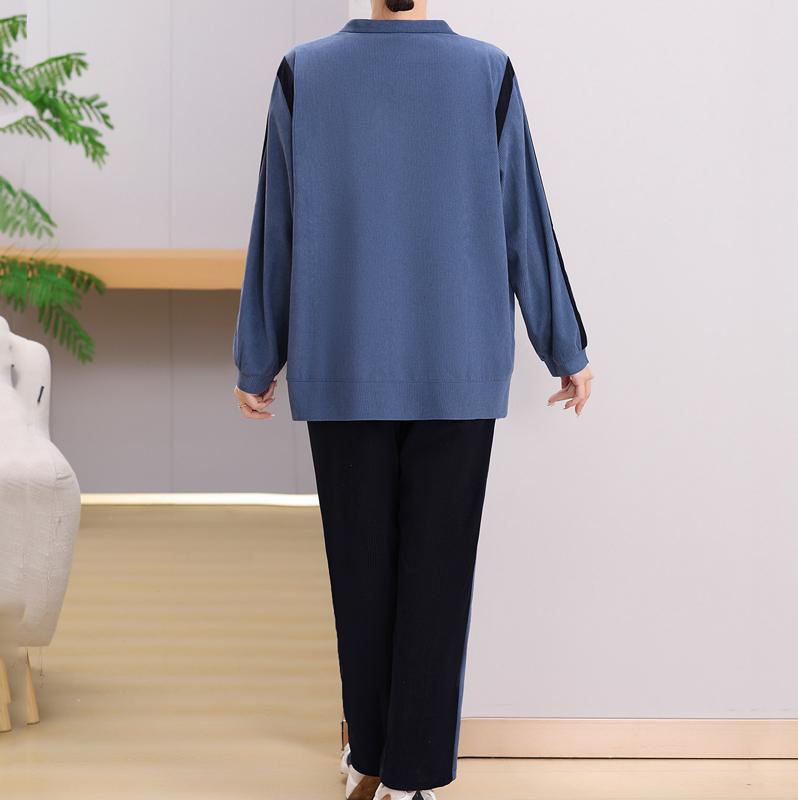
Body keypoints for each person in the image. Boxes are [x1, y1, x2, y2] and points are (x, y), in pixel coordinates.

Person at [232, 1, 594, 798]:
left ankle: (369, 755)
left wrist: (258, 357)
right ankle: (413, 777)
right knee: (437, 579)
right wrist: (564, 346)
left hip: (342, 359)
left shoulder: (303, 74)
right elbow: (523, 218)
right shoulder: (486, 72)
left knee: (360, 576)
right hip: (457, 364)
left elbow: (276, 225)